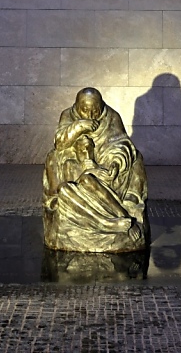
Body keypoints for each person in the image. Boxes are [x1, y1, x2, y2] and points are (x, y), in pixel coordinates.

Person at [43, 87, 148, 253]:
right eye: (85, 111)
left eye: (95, 111)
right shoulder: (67, 115)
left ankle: (125, 207)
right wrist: (79, 126)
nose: (91, 115)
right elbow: (60, 142)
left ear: (102, 106)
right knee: (54, 159)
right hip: (76, 165)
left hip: (104, 165)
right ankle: (112, 222)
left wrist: (116, 163)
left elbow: (121, 143)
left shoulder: (111, 117)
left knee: (136, 159)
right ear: (77, 106)